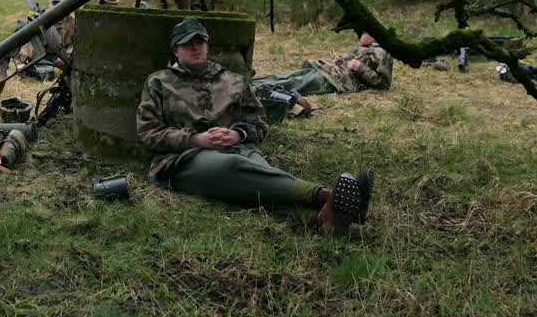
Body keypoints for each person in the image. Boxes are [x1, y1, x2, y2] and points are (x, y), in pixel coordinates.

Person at [136, 17, 374, 234]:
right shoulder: (159, 82)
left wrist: (237, 135)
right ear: (175, 50)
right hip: (183, 161)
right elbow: (149, 132)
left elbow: (259, 125)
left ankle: (322, 221)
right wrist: (195, 139)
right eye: (187, 43)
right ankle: (324, 195)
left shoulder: (233, 81)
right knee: (234, 166)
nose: (194, 47)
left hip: (239, 151)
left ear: (208, 45)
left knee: (256, 184)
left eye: (200, 42)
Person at [251, 32, 393, 97]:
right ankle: (247, 83)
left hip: (335, 81)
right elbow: (348, 63)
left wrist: (359, 67)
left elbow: (384, 83)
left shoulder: (382, 52)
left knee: (293, 82)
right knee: (288, 76)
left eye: (365, 31)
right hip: (326, 69)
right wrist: (340, 60)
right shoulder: (363, 49)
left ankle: (250, 88)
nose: (361, 34)